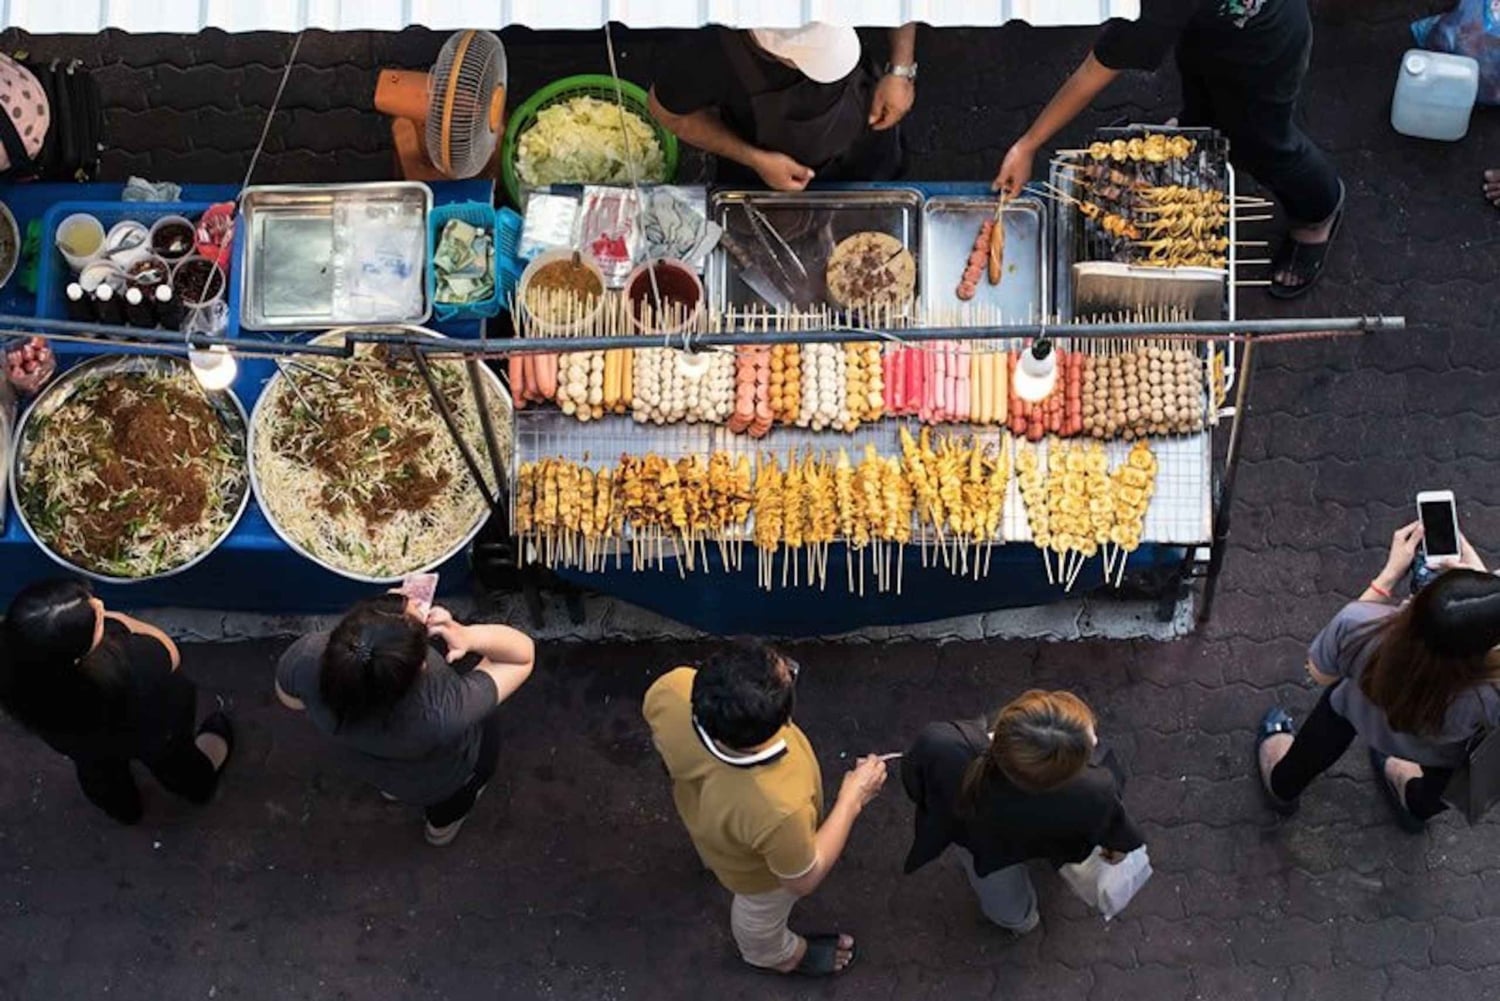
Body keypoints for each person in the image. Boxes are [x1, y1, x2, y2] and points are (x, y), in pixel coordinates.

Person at [992, 0, 1344, 299]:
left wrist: (1028, 144)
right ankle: (1202, 128)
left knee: (1264, 144)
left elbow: (1094, 71)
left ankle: (1319, 211)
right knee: (1202, 96)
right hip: (1211, 26)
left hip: (1268, 44)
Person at [642, 642, 887, 976]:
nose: (788, 667)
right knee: (760, 915)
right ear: (780, 719)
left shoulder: (673, 688)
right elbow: (803, 879)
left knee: (716, 847)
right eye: (788, 674)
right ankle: (773, 955)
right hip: (755, 873)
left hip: (703, 816)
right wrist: (853, 798)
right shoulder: (779, 807)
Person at [1256, 522, 1500, 831]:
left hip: (1358, 711)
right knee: (1436, 789)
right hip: (1443, 755)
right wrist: (1483, 596)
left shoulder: (1359, 625)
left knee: (1328, 723)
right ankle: (1413, 807)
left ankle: (1283, 786)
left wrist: (1387, 578)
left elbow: (1319, 674)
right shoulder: (1492, 691)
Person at [275, 594, 535, 846]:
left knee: (394, 782)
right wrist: (466, 635)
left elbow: (290, 699)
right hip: (442, 780)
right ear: (421, 666)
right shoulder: (440, 712)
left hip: (372, 766)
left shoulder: (305, 657)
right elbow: (520, 658)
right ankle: (439, 832)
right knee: (451, 802)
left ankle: (393, 793)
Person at [901, 690, 1144, 932]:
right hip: (1044, 841)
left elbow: (916, 785)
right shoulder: (1093, 791)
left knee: (1001, 894)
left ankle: (1019, 922)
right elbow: (1117, 838)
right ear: (1059, 774)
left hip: (986, 847)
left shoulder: (942, 744)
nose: (1095, 740)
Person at [0, 578, 233, 824]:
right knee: (175, 761)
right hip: (152, 732)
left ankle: (123, 809)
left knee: (97, 770)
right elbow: (170, 653)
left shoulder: (15, 674)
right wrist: (119, 619)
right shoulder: (135, 661)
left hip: (76, 742)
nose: (99, 604)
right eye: (95, 616)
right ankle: (197, 787)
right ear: (77, 656)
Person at [648, 23, 918, 191]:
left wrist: (901, 69)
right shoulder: (709, 51)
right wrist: (756, 160)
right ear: (773, 50)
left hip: (869, 134)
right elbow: (667, 113)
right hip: (771, 178)